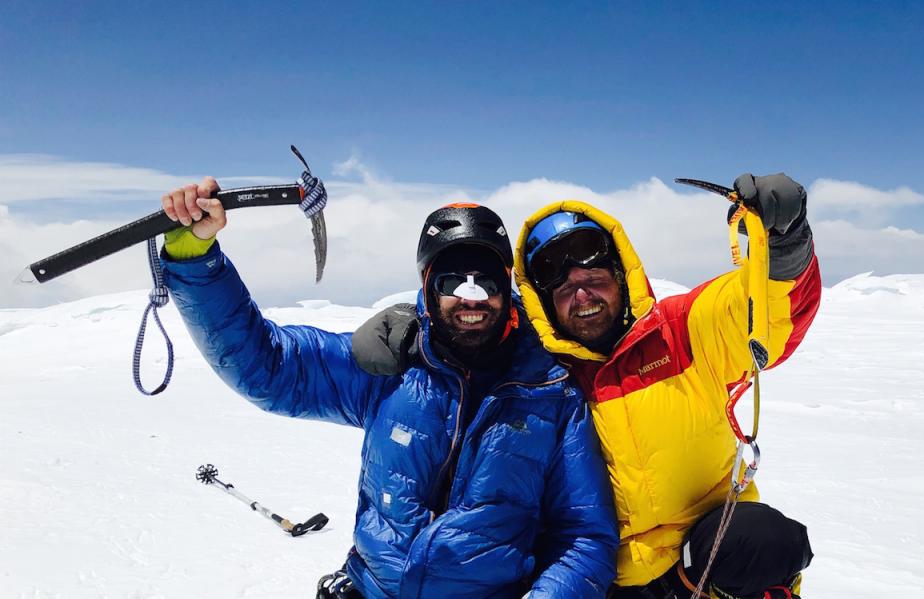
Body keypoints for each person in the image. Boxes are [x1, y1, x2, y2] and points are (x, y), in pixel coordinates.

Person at [354, 173, 821, 598]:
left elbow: (759, 310)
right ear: (542, 303)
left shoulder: (682, 331)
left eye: (595, 279)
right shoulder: (536, 368)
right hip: (600, 576)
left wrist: (784, 246)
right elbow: (473, 335)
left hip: (697, 554)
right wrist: (416, 325)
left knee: (762, 539)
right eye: (563, 290)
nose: (583, 296)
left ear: (622, 274)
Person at [158, 179, 618, 598]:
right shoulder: (388, 366)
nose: (471, 297)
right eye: (453, 281)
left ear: (508, 288)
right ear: (428, 289)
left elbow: (584, 536)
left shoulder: (551, 393)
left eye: (487, 282)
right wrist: (196, 260)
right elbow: (269, 367)